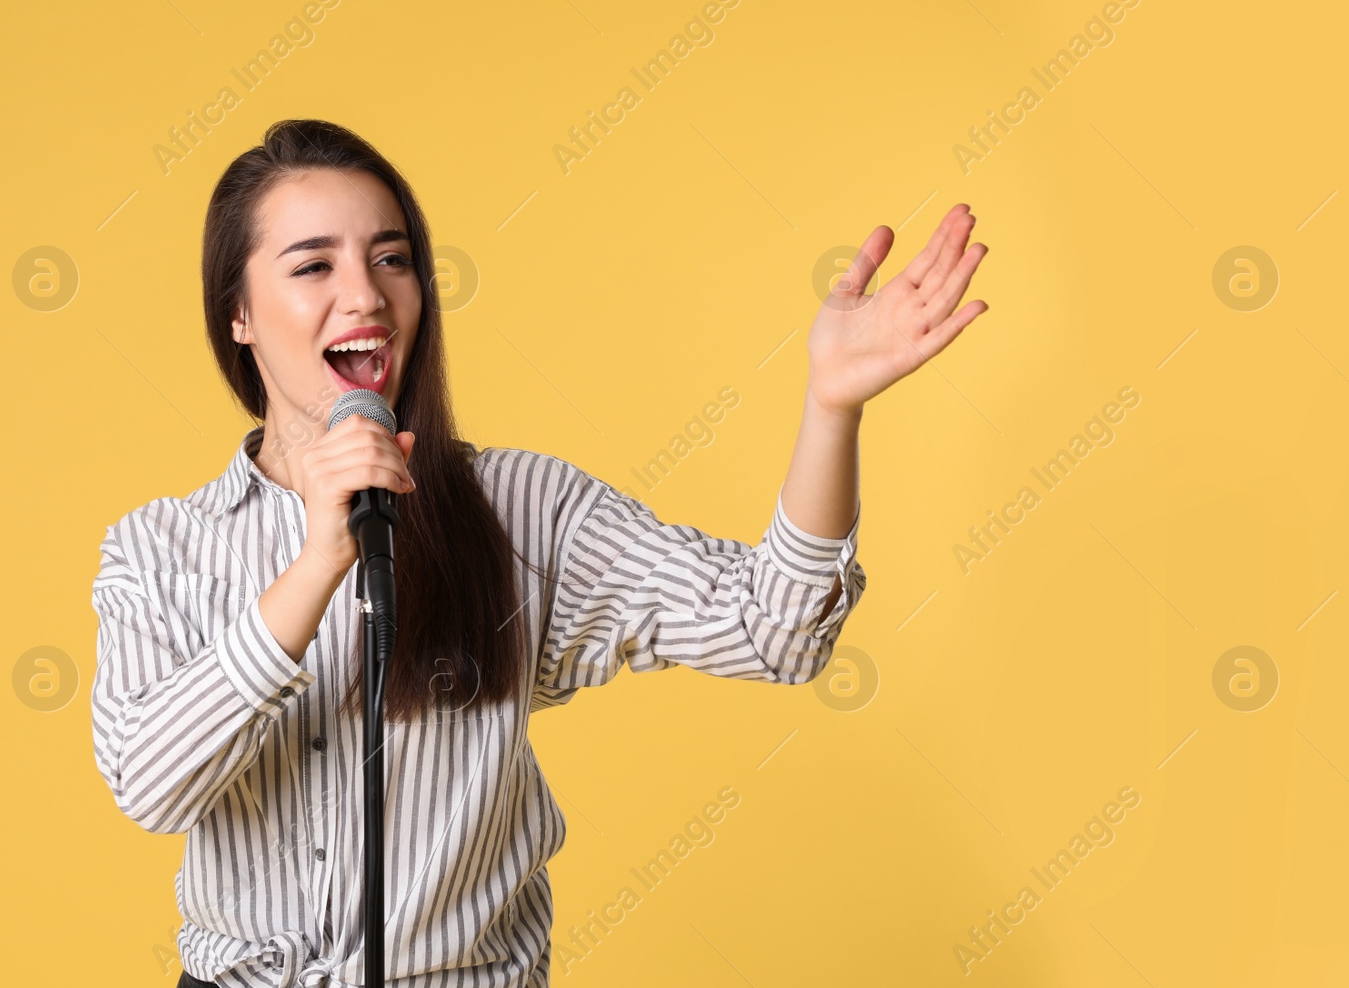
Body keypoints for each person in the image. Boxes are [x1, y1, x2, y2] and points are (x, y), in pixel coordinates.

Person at [90, 119, 989, 988]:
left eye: (391, 258)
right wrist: (318, 564)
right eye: (314, 264)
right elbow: (150, 788)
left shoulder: (522, 511)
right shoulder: (161, 549)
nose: (364, 295)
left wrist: (831, 407)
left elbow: (778, 632)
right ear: (239, 312)